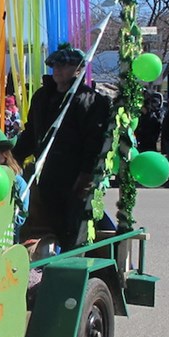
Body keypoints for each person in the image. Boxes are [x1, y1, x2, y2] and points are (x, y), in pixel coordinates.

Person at [13, 45, 110, 246]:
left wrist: (85, 176)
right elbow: (32, 133)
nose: (57, 69)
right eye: (55, 64)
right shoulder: (42, 97)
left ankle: (69, 264)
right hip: (45, 173)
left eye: (65, 65)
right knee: (44, 223)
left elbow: (93, 143)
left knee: (71, 227)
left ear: (79, 69)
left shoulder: (91, 101)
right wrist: (13, 159)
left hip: (73, 177)